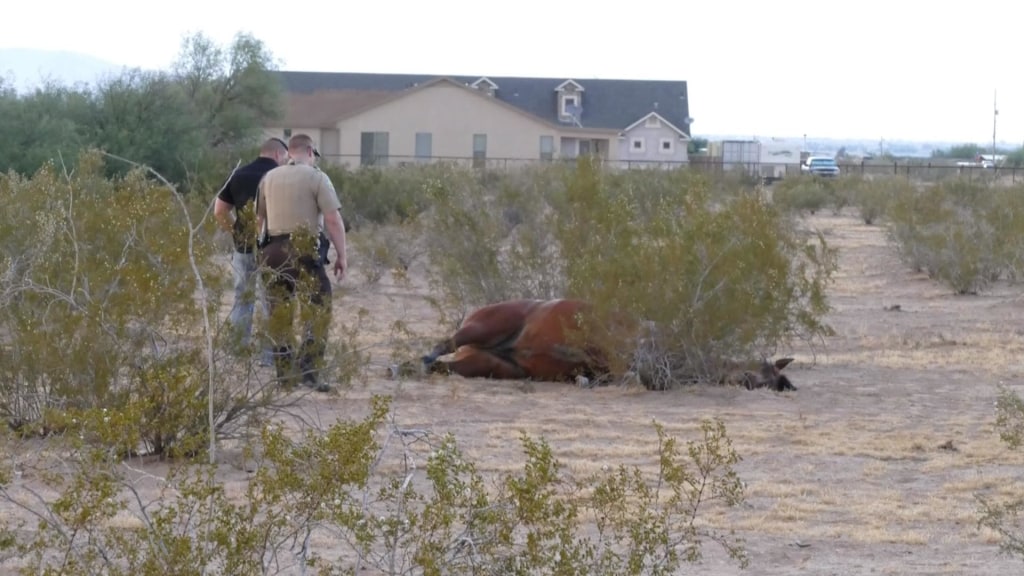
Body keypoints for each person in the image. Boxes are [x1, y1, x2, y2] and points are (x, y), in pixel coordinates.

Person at [255, 133, 347, 392]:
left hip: (272, 252)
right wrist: (342, 255)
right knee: (319, 306)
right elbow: (332, 219)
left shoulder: (268, 178)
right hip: (304, 250)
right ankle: (309, 371)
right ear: (309, 152)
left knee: (279, 313)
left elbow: (259, 220)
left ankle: (284, 375)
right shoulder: (317, 177)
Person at [214, 137, 290, 364]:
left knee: (242, 297)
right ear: (278, 155)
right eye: (285, 157)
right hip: (272, 246)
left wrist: (235, 232)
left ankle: (237, 350)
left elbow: (219, 210)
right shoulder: (279, 177)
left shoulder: (239, 175)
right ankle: (267, 356)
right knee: (272, 300)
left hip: (243, 247)